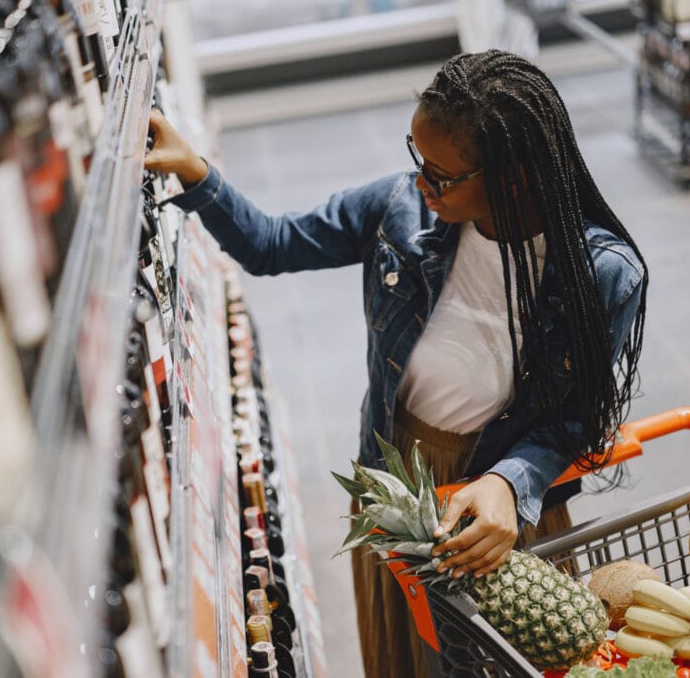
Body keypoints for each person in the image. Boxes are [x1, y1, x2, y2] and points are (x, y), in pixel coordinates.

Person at [146, 49, 647, 677]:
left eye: (440, 175)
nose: (420, 185)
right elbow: (272, 244)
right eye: (417, 161)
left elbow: (578, 423)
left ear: (513, 178)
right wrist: (197, 172)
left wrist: (511, 480)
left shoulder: (599, 276)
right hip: (398, 498)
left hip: (495, 519)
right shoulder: (397, 212)